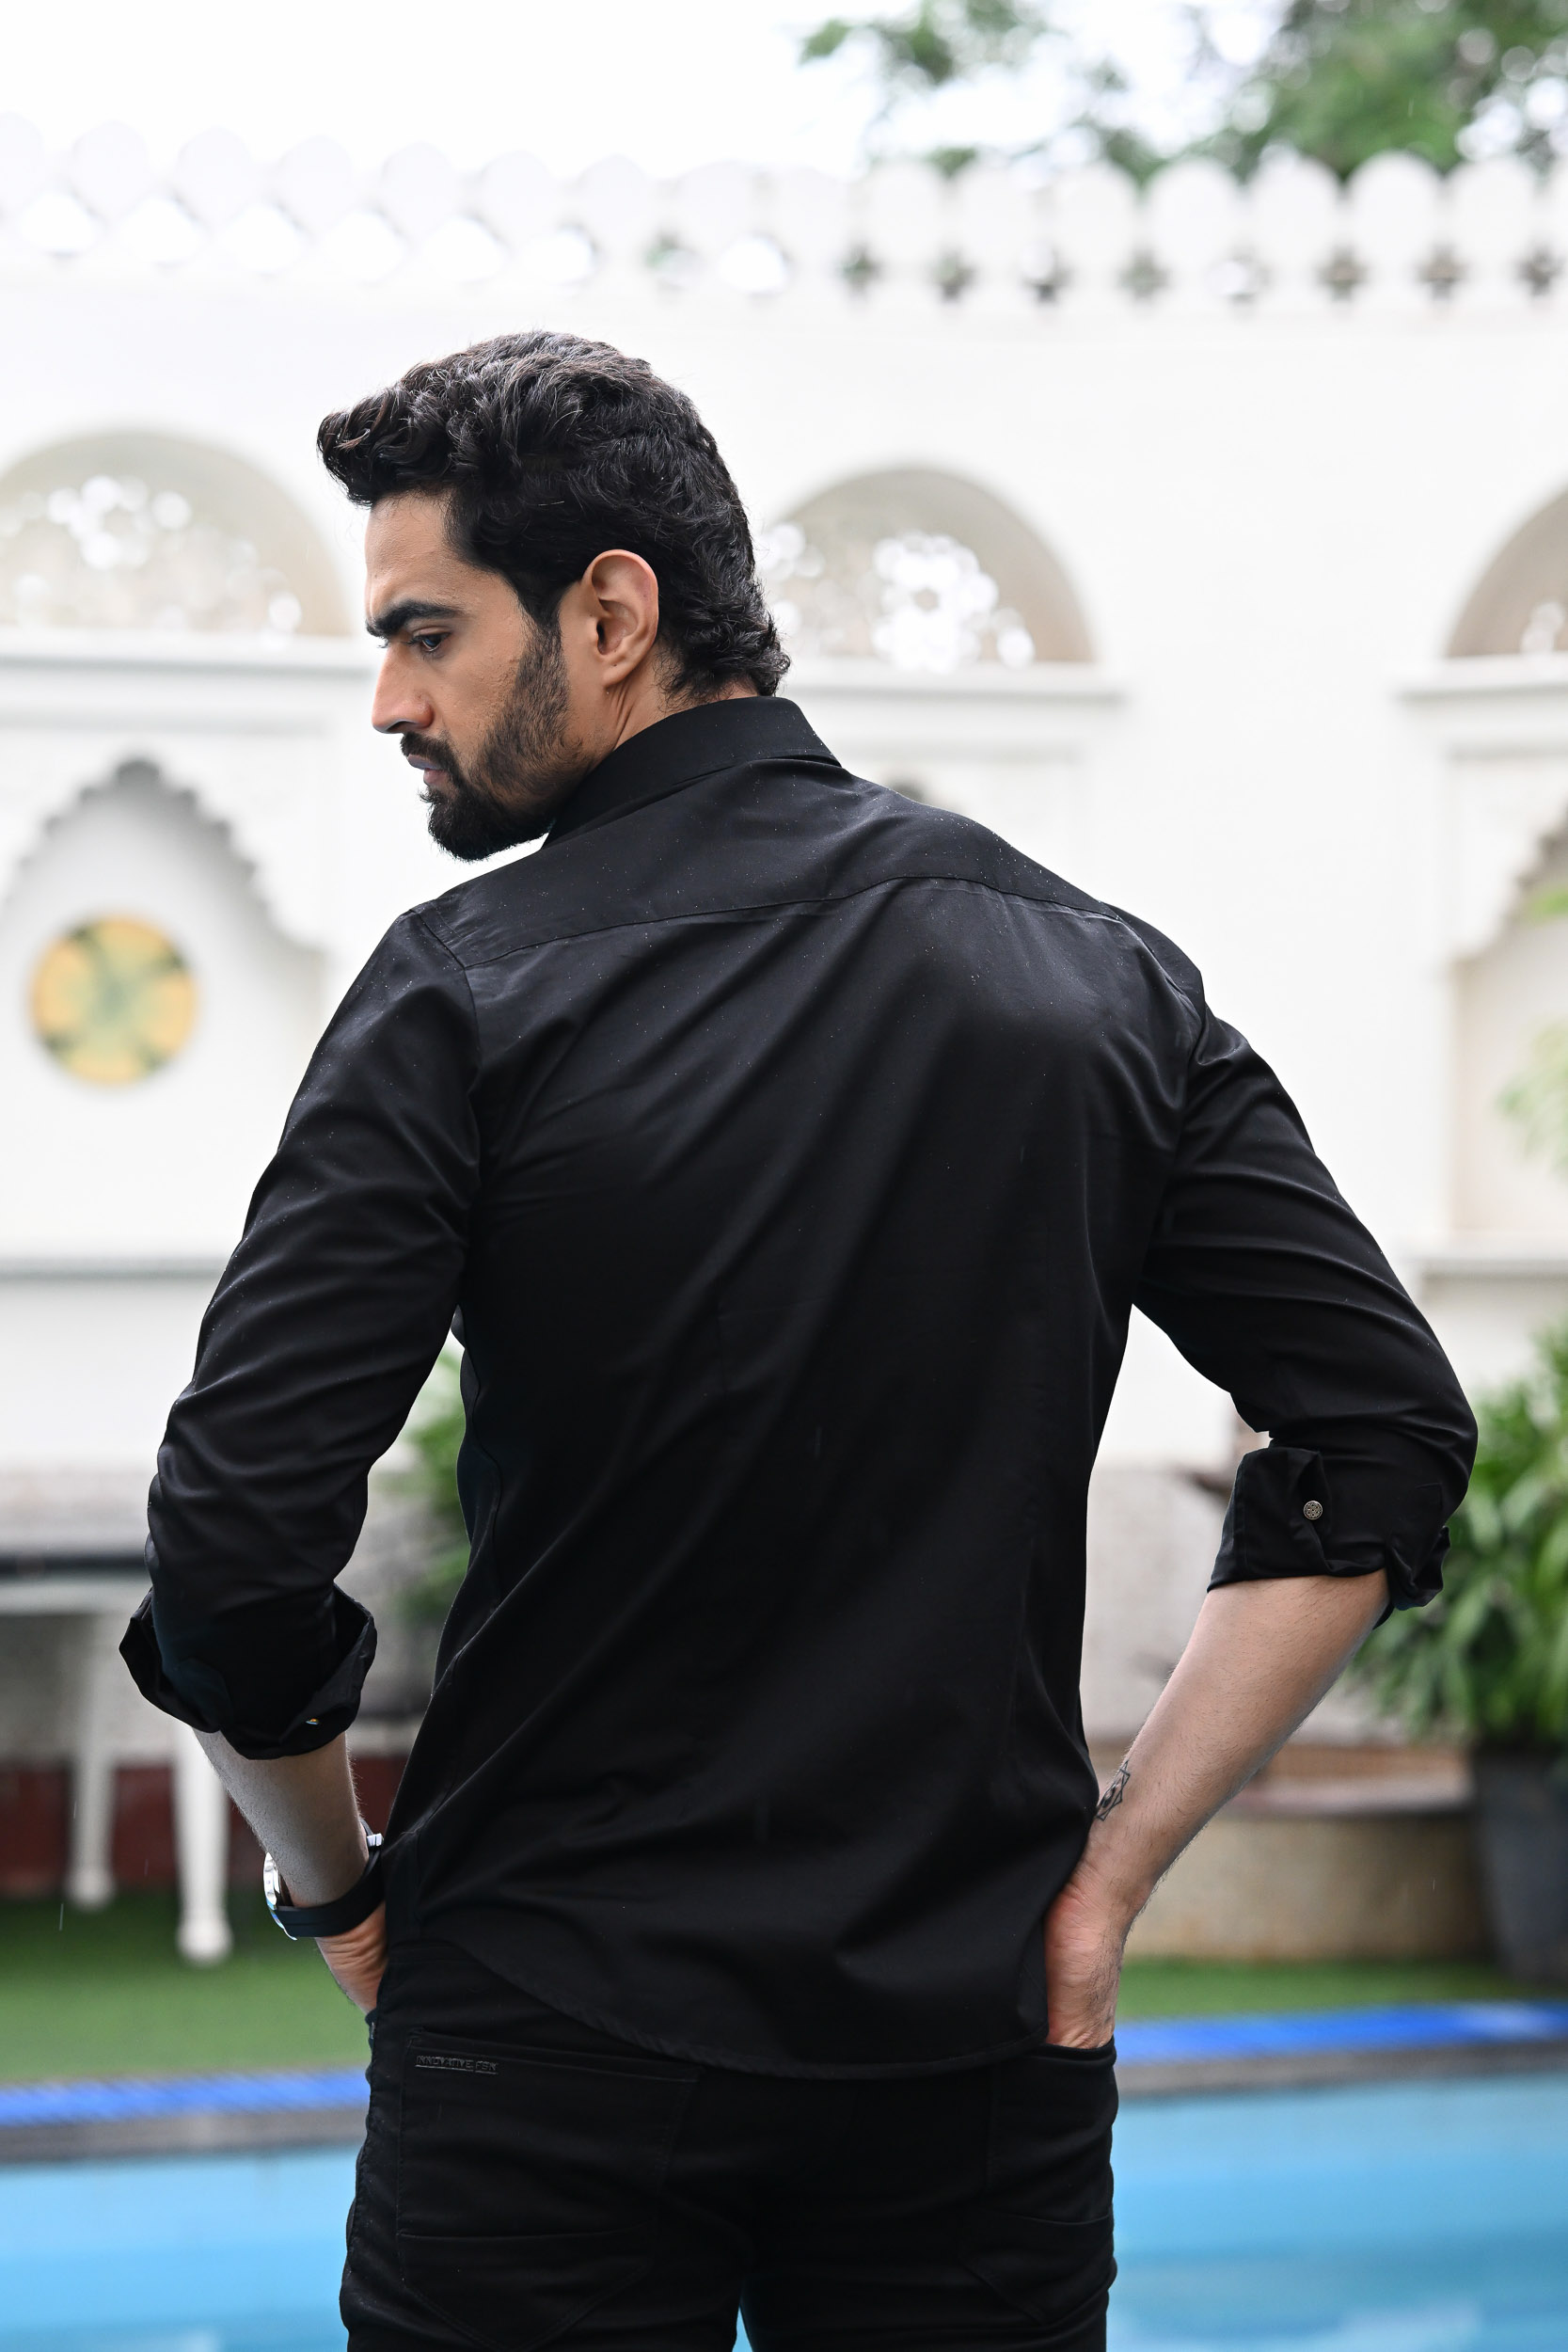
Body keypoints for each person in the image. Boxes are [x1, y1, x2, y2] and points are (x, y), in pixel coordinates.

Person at [122, 329, 1475, 2352]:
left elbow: (234, 1553)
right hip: (972, 2045)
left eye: (424, 632)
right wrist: (1107, 1884)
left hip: (544, 2044)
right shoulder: (1103, 981)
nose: (391, 700)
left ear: (612, 614)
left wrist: (340, 1897)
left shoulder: (467, 989)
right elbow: (1382, 1432)